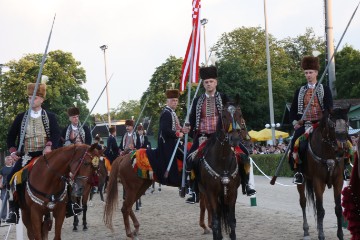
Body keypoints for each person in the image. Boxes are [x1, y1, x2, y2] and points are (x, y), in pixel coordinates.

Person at [186, 65, 256, 204]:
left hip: (222, 137)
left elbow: (232, 113)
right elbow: (192, 119)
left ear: (216, 82)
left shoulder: (224, 97)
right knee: (190, 159)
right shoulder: (197, 100)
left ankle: (246, 185)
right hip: (203, 137)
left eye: (211, 81)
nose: (208, 84)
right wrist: (189, 127)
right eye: (206, 82)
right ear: (203, 84)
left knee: (244, 155)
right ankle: (193, 190)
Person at [6, 79, 61, 224]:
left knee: (65, 175)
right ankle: (14, 209)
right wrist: (13, 152)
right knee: (11, 178)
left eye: (34, 98)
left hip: (46, 155)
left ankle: (69, 205)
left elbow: (56, 134)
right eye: (30, 98)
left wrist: (50, 146)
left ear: (42, 99)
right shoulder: (20, 117)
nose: (31, 100)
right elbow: (10, 138)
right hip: (27, 156)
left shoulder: (50, 116)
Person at [289, 55, 333, 184]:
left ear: (316, 73)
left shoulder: (325, 89)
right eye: (306, 73)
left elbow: (329, 107)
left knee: (342, 140)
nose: (308, 75)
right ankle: (298, 171)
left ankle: (344, 168)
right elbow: (292, 111)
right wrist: (295, 123)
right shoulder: (300, 90)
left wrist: (324, 119)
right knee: (295, 144)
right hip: (305, 125)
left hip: (322, 124)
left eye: (310, 72)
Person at [147, 88, 189, 187]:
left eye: (176, 100)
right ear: (167, 101)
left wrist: (184, 130)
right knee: (187, 156)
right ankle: (184, 179)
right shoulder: (166, 113)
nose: (175, 102)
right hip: (168, 144)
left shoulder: (172, 113)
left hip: (173, 142)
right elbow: (165, 130)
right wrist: (177, 134)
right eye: (172, 100)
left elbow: (176, 127)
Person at [61, 105, 92, 217]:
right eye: (74, 117)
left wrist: (81, 146)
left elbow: (89, 142)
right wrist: (70, 142)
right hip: (70, 156)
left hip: (83, 155)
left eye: (77, 117)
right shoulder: (65, 130)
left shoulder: (85, 128)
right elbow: (62, 145)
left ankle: (93, 184)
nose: (76, 119)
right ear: (70, 118)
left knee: (94, 165)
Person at [0, 156, 14, 221]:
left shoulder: (14, 168)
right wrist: (0, 184)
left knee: (11, 202)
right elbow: (0, 177)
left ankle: (11, 216)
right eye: (8, 160)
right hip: (4, 188)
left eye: (11, 159)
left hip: (12, 188)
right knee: (4, 202)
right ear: (6, 161)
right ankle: (3, 217)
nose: (10, 161)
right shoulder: (3, 169)